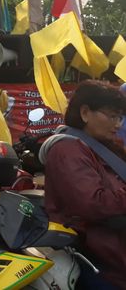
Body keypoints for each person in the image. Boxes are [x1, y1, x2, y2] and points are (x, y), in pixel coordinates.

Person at [39, 81, 126, 289]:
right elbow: (92, 203)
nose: (118, 125)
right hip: (97, 261)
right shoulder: (66, 150)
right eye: (112, 116)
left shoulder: (106, 146)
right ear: (85, 112)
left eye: (120, 117)